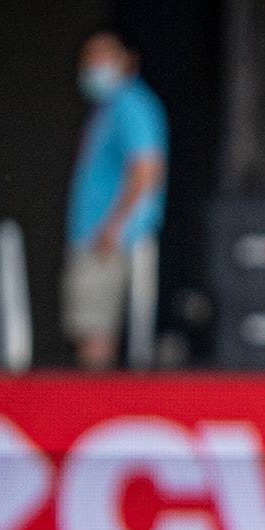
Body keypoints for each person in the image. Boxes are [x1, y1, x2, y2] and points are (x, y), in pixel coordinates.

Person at [63, 25, 168, 370]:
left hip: (109, 241)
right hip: (96, 237)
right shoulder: (106, 110)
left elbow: (147, 171)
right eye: (88, 58)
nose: (93, 66)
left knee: (97, 333)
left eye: (101, 57)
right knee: (89, 329)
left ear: (125, 61)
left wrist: (116, 227)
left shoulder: (130, 105)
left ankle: (94, 409)